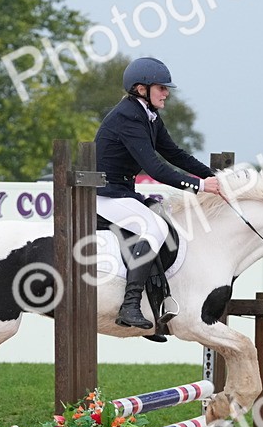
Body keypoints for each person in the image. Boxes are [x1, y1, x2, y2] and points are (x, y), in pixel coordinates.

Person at [95, 57, 221, 330]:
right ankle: (129, 306)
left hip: (121, 193)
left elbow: (174, 154)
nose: (166, 93)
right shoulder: (128, 117)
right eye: (161, 88)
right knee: (153, 228)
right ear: (141, 89)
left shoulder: (148, 116)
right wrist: (200, 187)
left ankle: (153, 305)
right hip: (104, 196)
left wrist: (213, 176)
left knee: (162, 218)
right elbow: (155, 168)